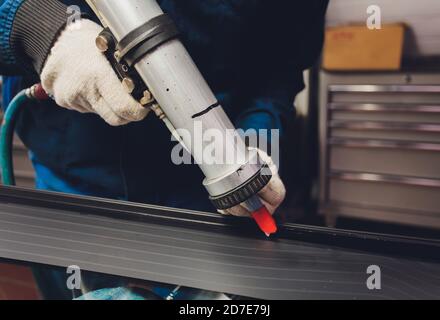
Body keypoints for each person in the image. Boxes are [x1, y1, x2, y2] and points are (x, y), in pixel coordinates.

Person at [0, 0, 329, 299]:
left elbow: (279, 68)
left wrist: (250, 141)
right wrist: (35, 27)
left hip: (201, 193)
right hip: (73, 184)